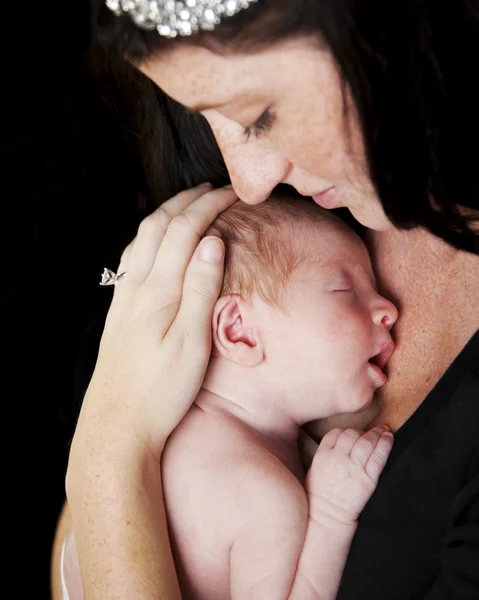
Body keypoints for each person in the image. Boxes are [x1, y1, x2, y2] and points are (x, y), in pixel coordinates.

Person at [56, 1, 479, 599]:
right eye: (211, 117)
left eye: (260, 115)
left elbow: (97, 520)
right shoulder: (268, 234)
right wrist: (107, 458)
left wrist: (108, 466)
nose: (249, 185)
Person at [60, 196, 396, 600]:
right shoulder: (264, 498)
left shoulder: (151, 423)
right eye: (346, 289)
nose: (388, 310)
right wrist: (331, 514)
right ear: (239, 330)